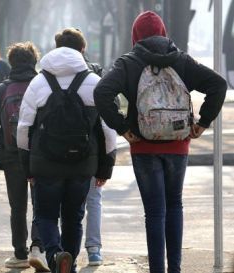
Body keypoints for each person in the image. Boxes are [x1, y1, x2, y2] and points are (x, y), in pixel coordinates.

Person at [94, 11, 227, 273]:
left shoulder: (128, 63)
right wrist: (202, 123)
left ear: (136, 36)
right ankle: (175, 269)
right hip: (178, 143)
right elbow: (218, 84)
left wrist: (122, 127)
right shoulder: (181, 60)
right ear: (164, 32)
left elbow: (102, 91)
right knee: (174, 204)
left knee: (154, 211)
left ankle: (157, 269)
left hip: (143, 144)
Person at [16, 28, 117, 273]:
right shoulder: (94, 82)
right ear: (82, 50)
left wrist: (27, 166)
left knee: (46, 215)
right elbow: (108, 130)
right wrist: (105, 168)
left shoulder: (39, 82)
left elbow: (23, 128)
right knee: (74, 217)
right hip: (82, 164)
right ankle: (68, 263)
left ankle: (55, 253)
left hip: (45, 163)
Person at [0, 42, 48, 271]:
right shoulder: (43, 86)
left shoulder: (1, 90)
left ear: (11, 62)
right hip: (40, 156)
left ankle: (19, 253)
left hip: (11, 156)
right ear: (34, 60)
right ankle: (38, 246)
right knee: (41, 203)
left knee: (17, 206)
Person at [54, 28, 108, 266]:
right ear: (83, 48)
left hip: (56, 151)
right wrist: (107, 159)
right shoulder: (95, 73)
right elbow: (108, 117)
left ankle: (59, 252)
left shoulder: (48, 74)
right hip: (92, 150)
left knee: (60, 203)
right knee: (93, 198)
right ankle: (94, 248)